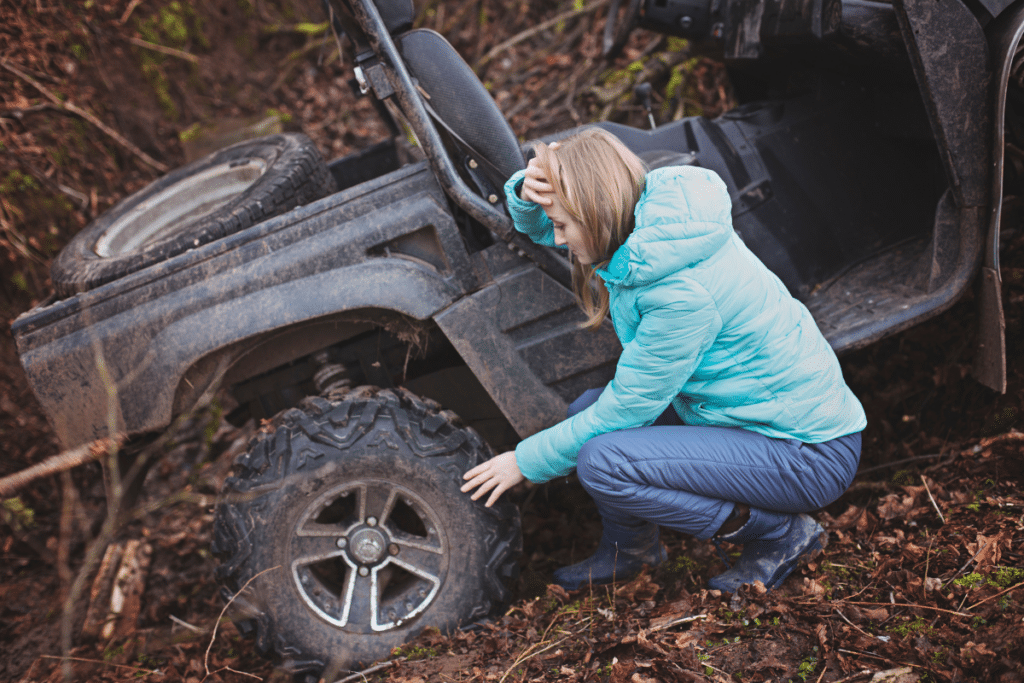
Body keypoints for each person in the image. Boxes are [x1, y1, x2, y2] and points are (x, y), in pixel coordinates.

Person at [461, 127, 866, 593]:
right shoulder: (655, 222)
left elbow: (628, 410)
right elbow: (558, 227)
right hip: (747, 418)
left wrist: (524, 461)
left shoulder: (677, 292)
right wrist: (529, 197)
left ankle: (781, 534)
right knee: (583, 415)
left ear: (595, 210)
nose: (557, 238)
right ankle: (631, 552)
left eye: (562, 225)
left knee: (603, 460)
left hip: (805, 452)